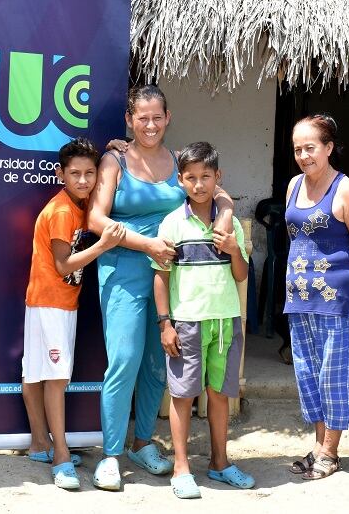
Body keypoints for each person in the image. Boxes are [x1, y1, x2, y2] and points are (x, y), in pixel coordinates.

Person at [87, 85, 234, 491]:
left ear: (168, 117)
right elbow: (96, 219)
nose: (150, 125)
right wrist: (145, 242)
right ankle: (111, 456)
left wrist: (226, 212)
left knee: (158, 363)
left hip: (173, 278)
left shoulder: (178, 160)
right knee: (125, 360)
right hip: (123, 271)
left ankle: (140, 443)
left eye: (157, 117)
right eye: (142, 118)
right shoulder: (113, 159)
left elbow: (214, 188)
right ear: (129, 121)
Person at [21, 138, 126, 490]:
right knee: (56, 379)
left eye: (90, 173)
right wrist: (103, 245)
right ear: (60, 174)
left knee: (38, 373)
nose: (83, 180)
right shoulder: (63, 210)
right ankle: (61, 456)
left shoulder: (76, 204)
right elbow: (64, 263)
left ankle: (40, 442)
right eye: (75, 174)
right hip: (51, 303)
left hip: (51, 301)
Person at [153, 142, 254, 499]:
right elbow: (161, 276)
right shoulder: (173, 223)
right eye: (191, 178)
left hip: (225, 321)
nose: (199, 184)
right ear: (181, 180)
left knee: (220, 394)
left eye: (206, 177)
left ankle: (220, 463)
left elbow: (241, 274)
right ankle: (181, 467)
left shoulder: (229, 228)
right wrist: (165, 323)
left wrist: (232, 250)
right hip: (186, 322)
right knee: (181, 396)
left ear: (218, 178)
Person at [285, 114, 349, 482]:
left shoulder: (345, 188)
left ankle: (331, 452)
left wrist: (347, 283)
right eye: (298, 149)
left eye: (311, 147)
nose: (304, 155)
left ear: (328, 147)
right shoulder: (293, 184)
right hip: (298, 297)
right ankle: (320, 445)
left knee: (332, 376)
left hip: (334, 300)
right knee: (307, 374)